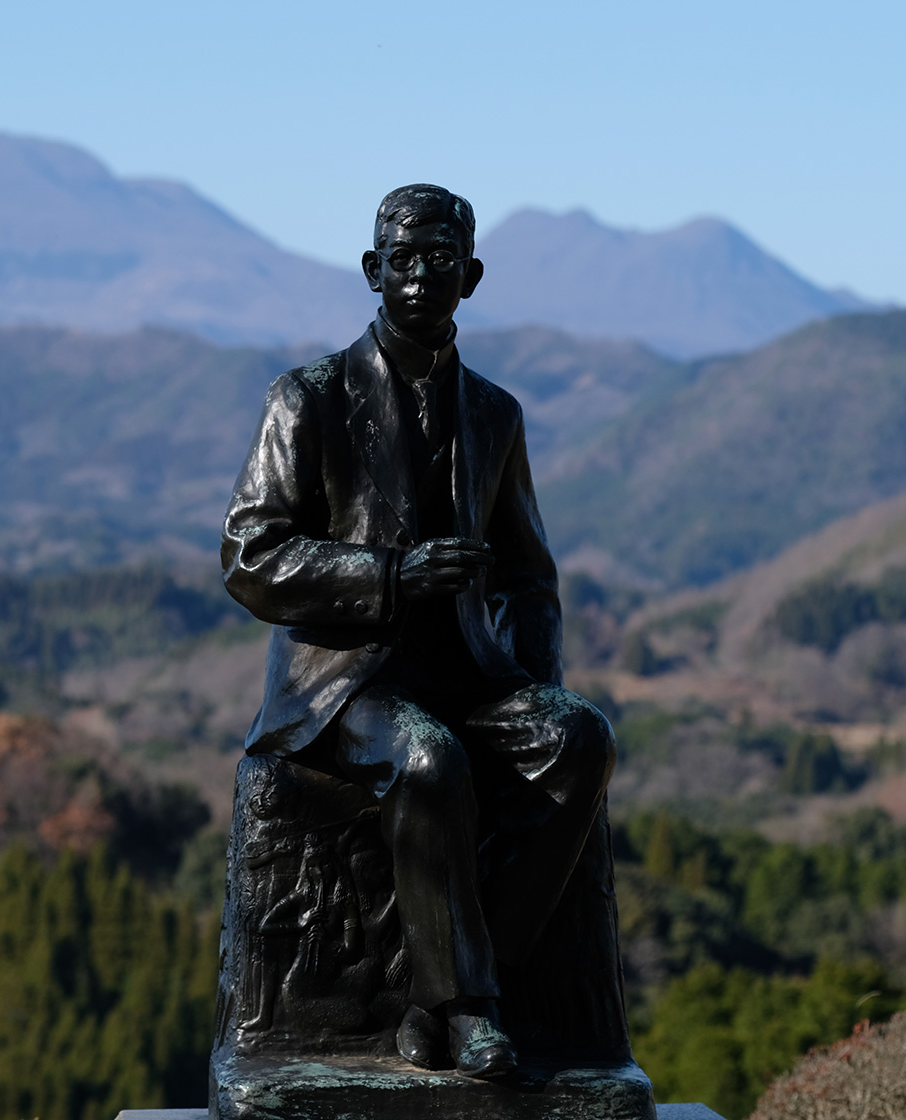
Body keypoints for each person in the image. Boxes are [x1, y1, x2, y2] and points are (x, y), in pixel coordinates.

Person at [220, 184, 615, 1080]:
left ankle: (469, 977)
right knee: (427, 758)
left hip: (472, 673)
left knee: (581, 738)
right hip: (347, 683)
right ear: (373, 270)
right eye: (404, 259)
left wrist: (533, 679)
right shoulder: (309, 399)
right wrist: (388, 577)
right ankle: (464, 1009)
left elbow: (529, 574)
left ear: (471, 276)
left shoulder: (494, 414)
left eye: (443, 259)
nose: (423, 275)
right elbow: (250, 554)